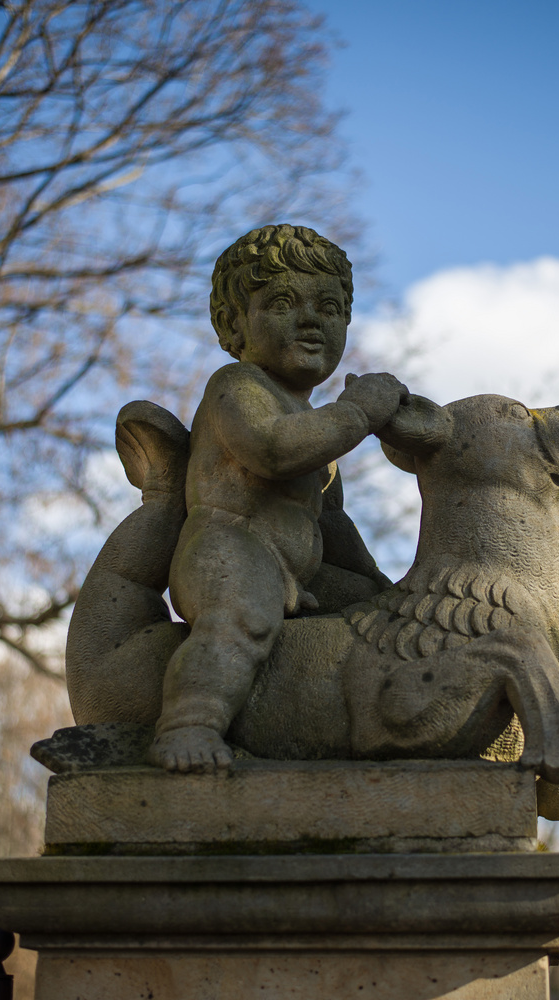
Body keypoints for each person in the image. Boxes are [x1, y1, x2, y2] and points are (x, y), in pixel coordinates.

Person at [148, 224, 408, 771]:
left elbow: (334, 528)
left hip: (301, 572)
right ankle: (189, 722)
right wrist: (358, 413)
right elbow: (269, 450)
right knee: (240, 615)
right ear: (232, 324)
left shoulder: (316, 425)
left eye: (331, 307)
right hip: (229, 549)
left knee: (380, 613)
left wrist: (380, 585)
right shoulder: (237, 386)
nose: (312, 319)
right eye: (284, 302)